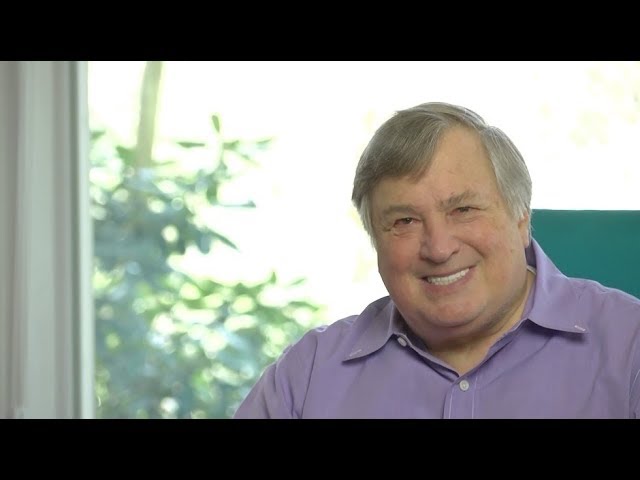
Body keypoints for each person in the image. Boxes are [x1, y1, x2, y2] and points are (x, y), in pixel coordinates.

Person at [234, 102, 640, 419]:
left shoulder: (630, 348)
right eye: (404, 221)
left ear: (521, 219)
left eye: (463, 210)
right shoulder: (307, 376)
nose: (439, 248)